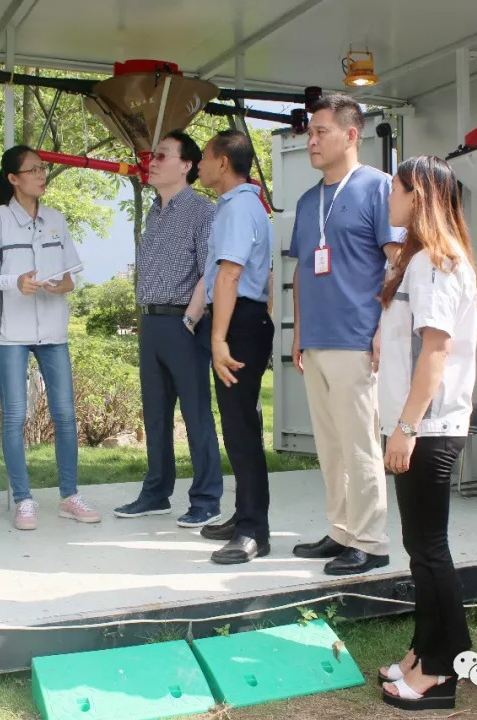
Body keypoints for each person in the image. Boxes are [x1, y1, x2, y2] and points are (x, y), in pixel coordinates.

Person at [374, 156, 477, 711]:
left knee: (429, 548)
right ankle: (423, 651)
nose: (388, 198)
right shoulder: (419, 260)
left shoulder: (436, 262)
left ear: (417, 196)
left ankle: (442, 669)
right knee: (421, 548)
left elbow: (435, 352)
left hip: (427, 426)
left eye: (395, 189)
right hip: (419, 423)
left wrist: (405, 427)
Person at [288, 93, 402, 576]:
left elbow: (396, 263)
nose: (311, 141)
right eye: (310, 133)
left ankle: (371, 542)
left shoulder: (379, 187)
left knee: (359, 445)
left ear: (351, 134)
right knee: (330, 445)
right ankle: (341, 531)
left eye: (321, 132)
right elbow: (300, 273)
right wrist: (298, 332)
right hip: (316, 339)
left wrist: (385, 329)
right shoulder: (307, 200)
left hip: (357, 337)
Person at [0, 145, 101, 530]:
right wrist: (15, 281)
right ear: (13, 178)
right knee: (15, 416)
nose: (42, 175)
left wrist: (63, 285)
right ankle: (23, 500)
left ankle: (69, 496)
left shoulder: (56, 219)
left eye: (43, 169)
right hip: (11, 333)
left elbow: (71, 275)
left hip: (54, 331)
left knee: (65, 415)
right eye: (33, 170)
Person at [113, 130, 224, 528]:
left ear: (186, 165)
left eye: (162, 155)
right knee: (156, 416)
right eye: (152, 156)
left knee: (195, 414)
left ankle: (207, 499)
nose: (152, 162)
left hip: (184, 324)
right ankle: (156, 493)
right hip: (151, 323)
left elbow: (211, 270)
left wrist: (190, 319)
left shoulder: (203, 211)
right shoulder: (154, 212)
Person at [196, 129, 275, 564]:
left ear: (223, 162)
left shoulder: (239, 208)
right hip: (243, 319)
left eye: (205, 158)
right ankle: (245, 514)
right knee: (238, 427)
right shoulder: (239, 205)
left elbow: (229, 275)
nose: (199, 165)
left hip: (238, 323)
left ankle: (253, 532)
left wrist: (218, 339)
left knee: (242, 430)